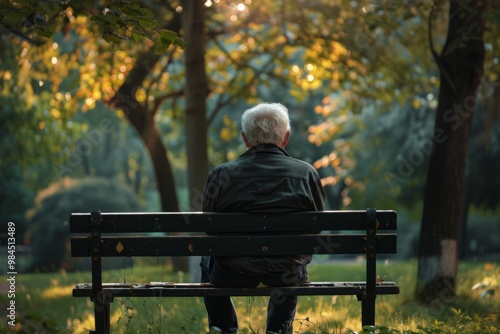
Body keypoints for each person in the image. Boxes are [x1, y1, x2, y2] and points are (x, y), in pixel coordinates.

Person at [200, 102, 326, 334]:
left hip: (233, 273)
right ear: (285, 137)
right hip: (286, 273)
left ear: (246, 139)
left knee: (206, 258)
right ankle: (278, 330)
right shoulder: (306, 174)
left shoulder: (221, 174)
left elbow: (208, 227)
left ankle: (225, 329)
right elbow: (316, 226)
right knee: (293, 259)